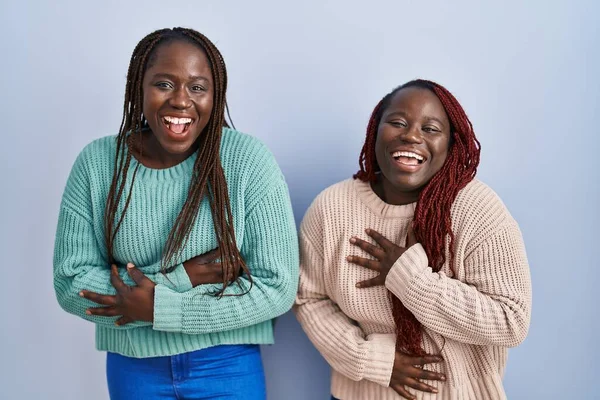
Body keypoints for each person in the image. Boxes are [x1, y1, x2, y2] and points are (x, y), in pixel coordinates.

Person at [53, 27, 299, 400]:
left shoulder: (248, 161)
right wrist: (181, 279)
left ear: (215, 97)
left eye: (197, 87)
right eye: (164, 84)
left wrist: (158, 308)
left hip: (226, 363)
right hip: (134, 368)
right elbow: (71, 283)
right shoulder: (98, 164)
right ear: (138, 87)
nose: (181, 101)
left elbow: (277, 288)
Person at [294, 79, 531, 400]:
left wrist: (410, 278)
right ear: (375, 132)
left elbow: (510, 321)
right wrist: (375, 360)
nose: (412, 135)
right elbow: (309, 298)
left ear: (451, 144)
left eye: (431, 128)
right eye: (397, 123)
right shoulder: (332, 206)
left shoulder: (476, 207)